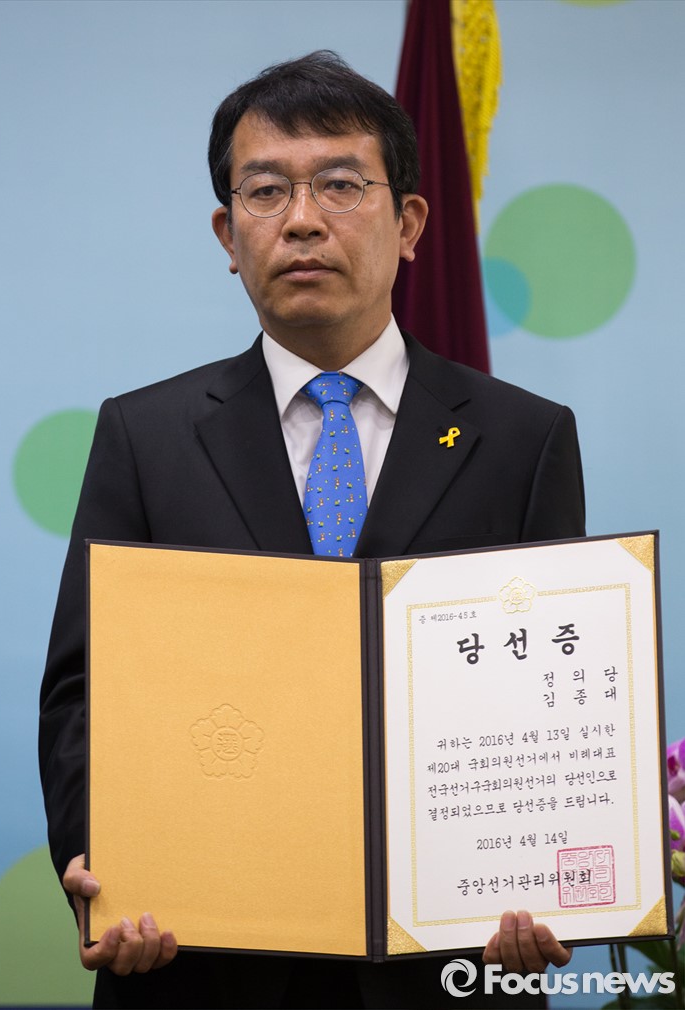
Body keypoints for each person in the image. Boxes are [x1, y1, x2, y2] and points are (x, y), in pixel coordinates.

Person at [39, 51, 583, 1009]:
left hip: (443, 968)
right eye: (265, 191)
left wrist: (547, 884)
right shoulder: (145, 435)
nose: (301, 220)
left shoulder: (524, 438)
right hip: (203, 961)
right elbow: (84, 692)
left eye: (340, 185)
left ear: (409, 224)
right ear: (228, 233)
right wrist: (107, 869)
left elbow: (551, 696)